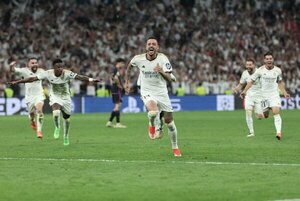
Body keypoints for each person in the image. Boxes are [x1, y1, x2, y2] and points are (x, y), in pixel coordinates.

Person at [8, 58, 99, 145]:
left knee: (67, 119)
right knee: (56, 112)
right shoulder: (48, 73)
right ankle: (57, 127)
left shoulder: (67, 73)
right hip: (55, 96)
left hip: (66, 97)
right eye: (58, 67)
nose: (60, 69)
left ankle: (66, 136)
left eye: (61, 67)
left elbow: (80, 77)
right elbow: (32, 78)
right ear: (54, 68)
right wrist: (17, 82)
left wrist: (91, 79)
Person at [125, 36, 181, 157]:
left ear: (157, 47)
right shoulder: (138, 59)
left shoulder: (163, 59)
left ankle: (175, 146)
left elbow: (169, 79)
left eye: (154, 44)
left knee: (169, 123)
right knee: (153, 111)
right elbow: (129, 67)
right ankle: (152, 124)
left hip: (161, 92)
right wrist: (127, 82)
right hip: (147, 91)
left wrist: (161, 71)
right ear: (146, 47)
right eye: (149, 44)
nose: (151, 45)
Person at [240, 52, 290, 140]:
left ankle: (278, 132)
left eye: (270, 58)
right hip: (263, 96)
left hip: (274, 95)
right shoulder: (260, 70)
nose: (269, 60)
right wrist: (244, 91)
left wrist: (284, 92)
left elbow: (280, 82)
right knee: (266, 115)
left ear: (273, 59)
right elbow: (251, 81)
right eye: (267, 59)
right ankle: (265, 111)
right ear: (264, 60)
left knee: (276, 112)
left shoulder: (278, 70)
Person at [9, 58, 45, 139]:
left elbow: (49, 76)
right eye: (32, 63)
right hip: (29, 97)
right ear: (28, 65)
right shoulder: (24, 71)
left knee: (39, 111)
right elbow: (13, 70)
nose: (34, 64)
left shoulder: (42, 71)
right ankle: (32, 121)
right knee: (31, 114)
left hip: (39, 95)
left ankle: (39, 131)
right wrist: (11, 66)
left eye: (36, 63)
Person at [233, 58, 264, 137]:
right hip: (249, 95)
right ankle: (251, 132)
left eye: (250, 65)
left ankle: (258, 112)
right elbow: (241, 84)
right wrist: (236, 89)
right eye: (247, 65)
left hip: (259, 96)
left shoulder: (259, 72)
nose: (248, 66)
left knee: (259, 115)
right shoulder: (244, 73)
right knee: (248, 112)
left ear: (254, 65)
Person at [106, 58, 127, 128]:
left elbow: (115, 77)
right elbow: (115, 78)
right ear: (119, 63)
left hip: (114, 88)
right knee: (117, 106)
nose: (123, 65)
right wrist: (119, 85)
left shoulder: (115, 70)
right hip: (116, 89)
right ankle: (118, 123)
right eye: (122, 63)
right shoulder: (115, 69)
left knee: (117, 106)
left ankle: (109, 122)